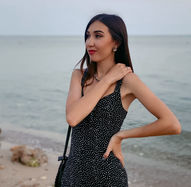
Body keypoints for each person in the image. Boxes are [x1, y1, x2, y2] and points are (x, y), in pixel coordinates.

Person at [61, 13, 181, 187]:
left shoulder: (128, 81)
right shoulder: (79, 75)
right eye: (87, 36)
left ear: (116, 42)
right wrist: (108, 79)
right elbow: (73, 117)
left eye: (98, 36)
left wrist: (121, 136)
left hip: (107, 176)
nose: (90, 42)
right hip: (72, 174)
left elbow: (172, 124)